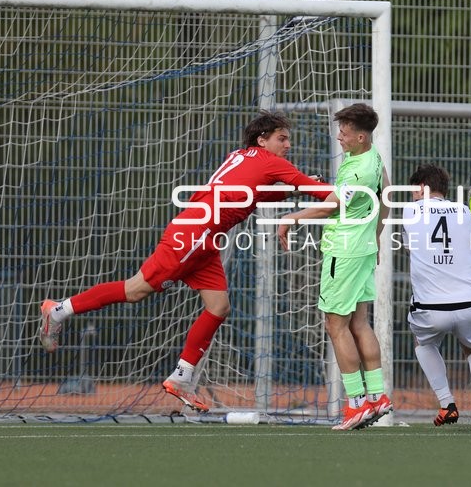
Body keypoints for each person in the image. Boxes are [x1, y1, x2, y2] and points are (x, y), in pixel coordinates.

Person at [39, 111, 331, 413]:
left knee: (219, 306)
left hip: (206, 238)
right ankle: (58, 311)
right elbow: (317, 191)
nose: (288, 144)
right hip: (194, 233)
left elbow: (261, 194)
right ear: (263, 139)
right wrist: (348, 193)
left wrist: (300, 186)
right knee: (135, 290)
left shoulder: (243, 156)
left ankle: (181, 377)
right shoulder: (271, 162)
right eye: (282, 138)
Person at [277, 103, 392, 430]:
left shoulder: (358, 168)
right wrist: (377, 236)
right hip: (363, 249)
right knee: (359, 324)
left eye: (344, 131)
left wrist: (291, 217)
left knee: (335, 325)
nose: (339, 135)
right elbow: (385, 196)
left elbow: (332, 208)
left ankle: (356, 406)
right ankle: (378, 398)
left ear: (360, 135)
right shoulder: (372, 157)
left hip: (344, 251)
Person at [401, 164, 471, 432]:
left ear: (420, 188)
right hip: (470, 304)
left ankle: (447, 404)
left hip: (430, 307)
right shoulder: (467, 211)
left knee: (423, 342)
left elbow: (409, 247)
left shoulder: (409, 211)